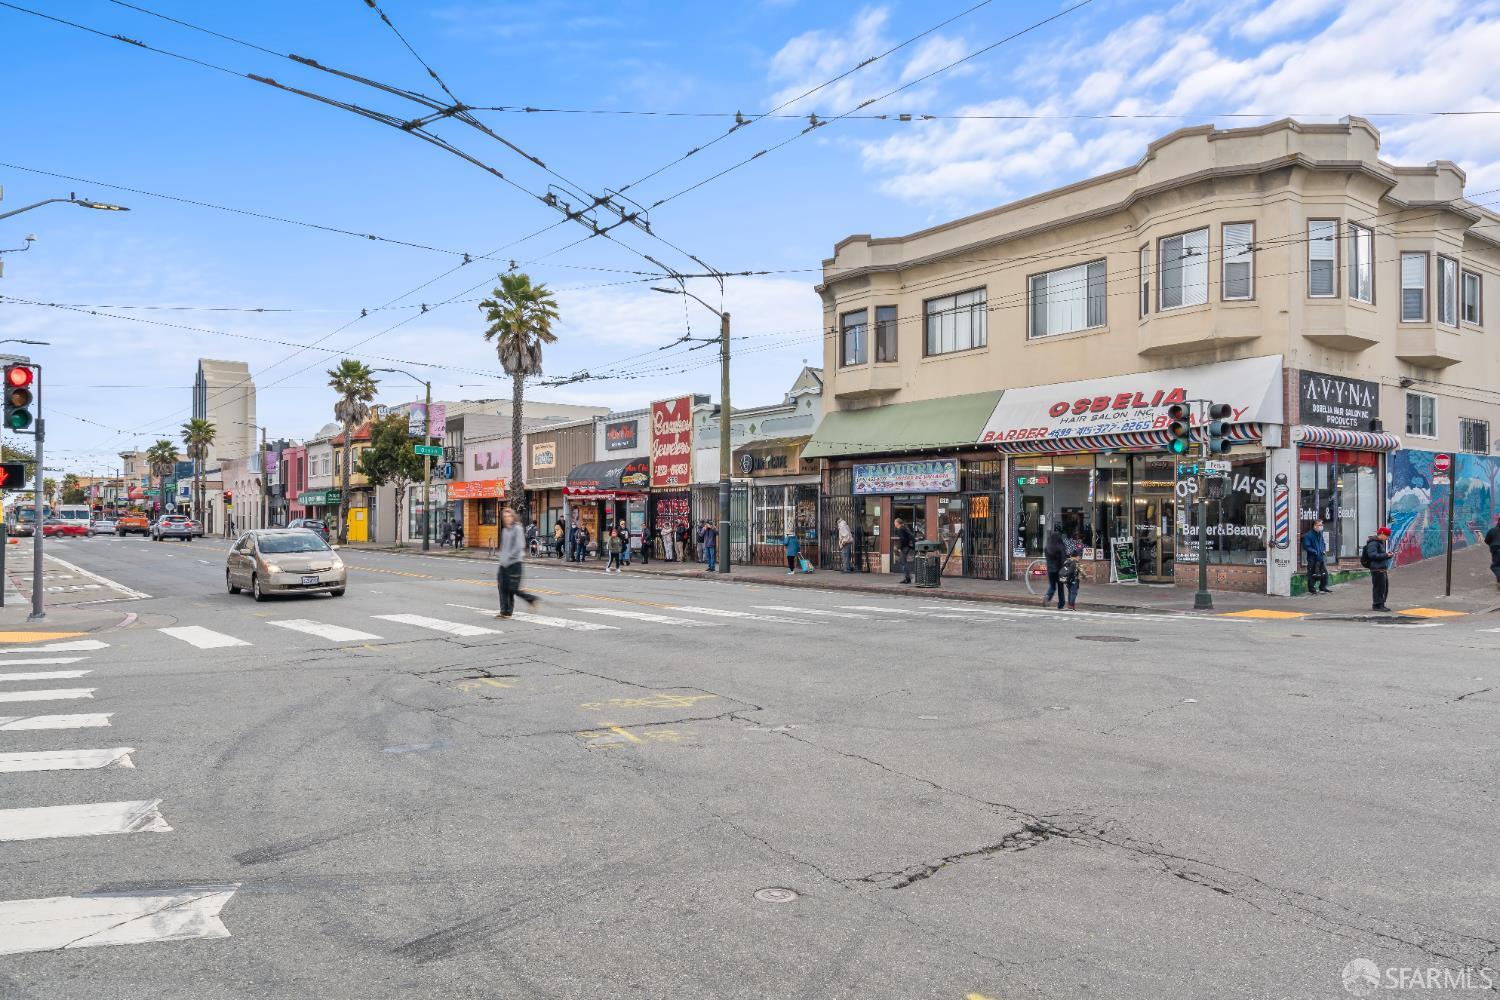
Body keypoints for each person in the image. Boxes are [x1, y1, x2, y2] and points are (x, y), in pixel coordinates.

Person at [495, 507, 539, 619]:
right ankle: (505, 611)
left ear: (513, 516)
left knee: (513, 588)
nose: (506, 518)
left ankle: (532, 599)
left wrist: (508, 556)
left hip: (515, 563)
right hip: (504, 564)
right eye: (504, 517)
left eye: (508, 516)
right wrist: (502, 557)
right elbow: (504, 547)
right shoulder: (505, 530)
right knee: (502, 587)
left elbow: (520, 545)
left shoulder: (518, 528)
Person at [1362, 525, 1393, 612]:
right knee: (1378, 588)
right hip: (1376, 569)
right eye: (1386, 536)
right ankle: (1377, 605)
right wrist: (1386, 555)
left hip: (1381, 568)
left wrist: (1388, 556)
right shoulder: (1373, 543)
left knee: (1383, 587)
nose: (1387, 538)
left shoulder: (1379, 543)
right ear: (1382, 533)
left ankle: (1381, 604)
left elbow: (1379, 555)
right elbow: (1372, 555)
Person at [1302, 518, 1332, 595]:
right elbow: (1306, 546)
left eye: (1322, 525)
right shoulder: (1308, 535)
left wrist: (1323, 549)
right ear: (1315, 526)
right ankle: (1311, 589)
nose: (1321, 526)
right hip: (1312, 558)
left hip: (1320, 557)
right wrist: (1315, 552)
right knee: (1312, 573)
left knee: (1324, 573)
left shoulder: (1320, 534)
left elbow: (1323, 544)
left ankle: (1322, 587)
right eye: (1320, 525)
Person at [1043, 523, 1067, 606]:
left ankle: (1047, 596)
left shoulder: (1047, 547)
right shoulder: (1060, 546)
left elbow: (1047, 559)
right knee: (1060, 587)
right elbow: (1064, 559)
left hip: (1050, 570)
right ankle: (1061, 604)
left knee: (1052, 586)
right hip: (1059, 570)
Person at [895, 517, 916, 584]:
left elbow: (903, 539)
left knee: (903, 561)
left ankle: (908, 577)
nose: (894, 524)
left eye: (895, 523)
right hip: (907, 547)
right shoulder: (904, 528)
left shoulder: (901, 529)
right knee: (902, 561)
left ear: (898, 523)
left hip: (905, 547)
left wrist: (900, 548)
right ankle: (908, 577)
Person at [1487, 515, 1500, 589]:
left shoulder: (1492, 530)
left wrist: (1492, 544)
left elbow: (1487, 541)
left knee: (1496, 566)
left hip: (1496, 550)